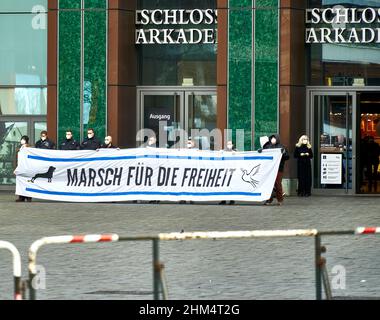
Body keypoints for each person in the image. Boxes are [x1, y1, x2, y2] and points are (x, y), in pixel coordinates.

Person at [262, 134, 289, 205]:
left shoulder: (282, 147)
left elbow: (287, 157)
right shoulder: (267, 147)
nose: (273, 139)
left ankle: (280, 200)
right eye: (272, 138)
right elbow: (263, 154)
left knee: (277, 184)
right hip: (269, 169)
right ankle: (268, 199)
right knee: (268, 184)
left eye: (274, 138)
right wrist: (260, 151)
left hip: (278, 169)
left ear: (277, 139)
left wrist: (284, 153)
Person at [14, 136, 32, 202]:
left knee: (28, 181)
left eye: (23, 139)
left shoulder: (30, 148)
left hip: (27, 167)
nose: (21, 140)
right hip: (20, 167)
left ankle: (28, 197)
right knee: (20, 182)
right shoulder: (20, 148)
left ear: (26, 140)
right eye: (21, 139)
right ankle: (21, 197)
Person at [220, 140, 236, 205]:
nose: (229, 145)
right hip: (225, 171)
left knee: (231, 186)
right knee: (223, 185)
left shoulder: (235, 152)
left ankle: (232, 200)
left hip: (232, 171)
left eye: (230, 144)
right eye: (228, 144)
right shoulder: (224, 151)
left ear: (232, 145)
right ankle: (223, 200)